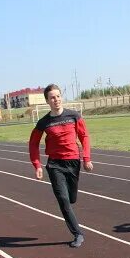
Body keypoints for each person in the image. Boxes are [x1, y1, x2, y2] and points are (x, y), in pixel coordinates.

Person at [28, 84, 93, 247]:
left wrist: (86, 158)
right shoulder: (44, 122)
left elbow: (84, 136)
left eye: (58, 96)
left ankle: (70, 201)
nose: (56, 100)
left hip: (73, 162)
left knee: (71, 197)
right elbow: (33, 143)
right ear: (47, 101)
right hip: (55, 164)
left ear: (61, 97)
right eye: (52, 97)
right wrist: (37, 165)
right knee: (63, 199)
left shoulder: (74, 116)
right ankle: (78, 234)